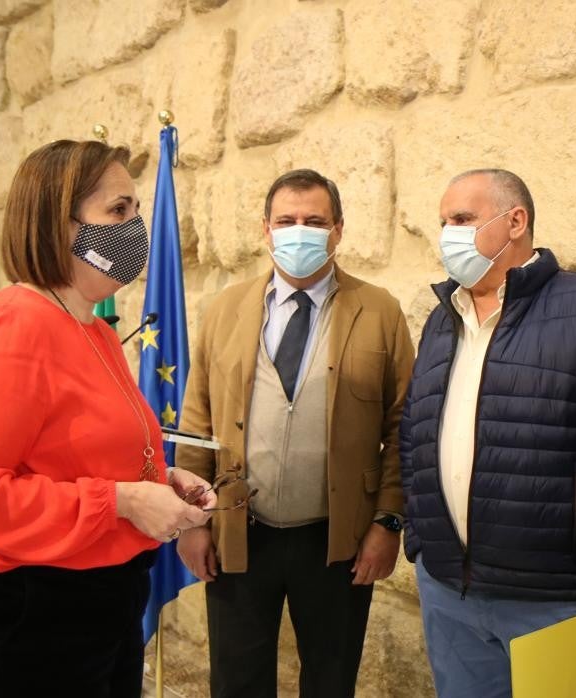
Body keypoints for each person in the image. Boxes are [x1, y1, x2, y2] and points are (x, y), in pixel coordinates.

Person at [0, 139, 217, 697]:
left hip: (105, 610)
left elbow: (83, 455)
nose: (136, 228)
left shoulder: (96, 330)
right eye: (118, 212)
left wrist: (162, 482)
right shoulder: (13, 326)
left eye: (135, 209)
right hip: (32, 623)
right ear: (59, 227)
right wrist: (124, 502)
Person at [401, 168, 576, 697]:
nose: (448, 233)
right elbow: (414, 434)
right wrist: (421, 542)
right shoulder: (441, 318)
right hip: (450, 592)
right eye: (443, 221)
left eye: (462, 219)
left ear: (515, 221)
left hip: (555, 596)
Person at [175, 169, 415, 698]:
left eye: (315, 221)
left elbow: (404, 429)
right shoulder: (225, 310)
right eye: (286, 221)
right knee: (237, 682)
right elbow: (197, 422)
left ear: (338, 231)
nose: (299, 232)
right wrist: (191, 523)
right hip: (240, 532)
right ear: (265, 229)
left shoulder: (380, 312)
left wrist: (388, 523)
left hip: (337, 541)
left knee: (331, 682)